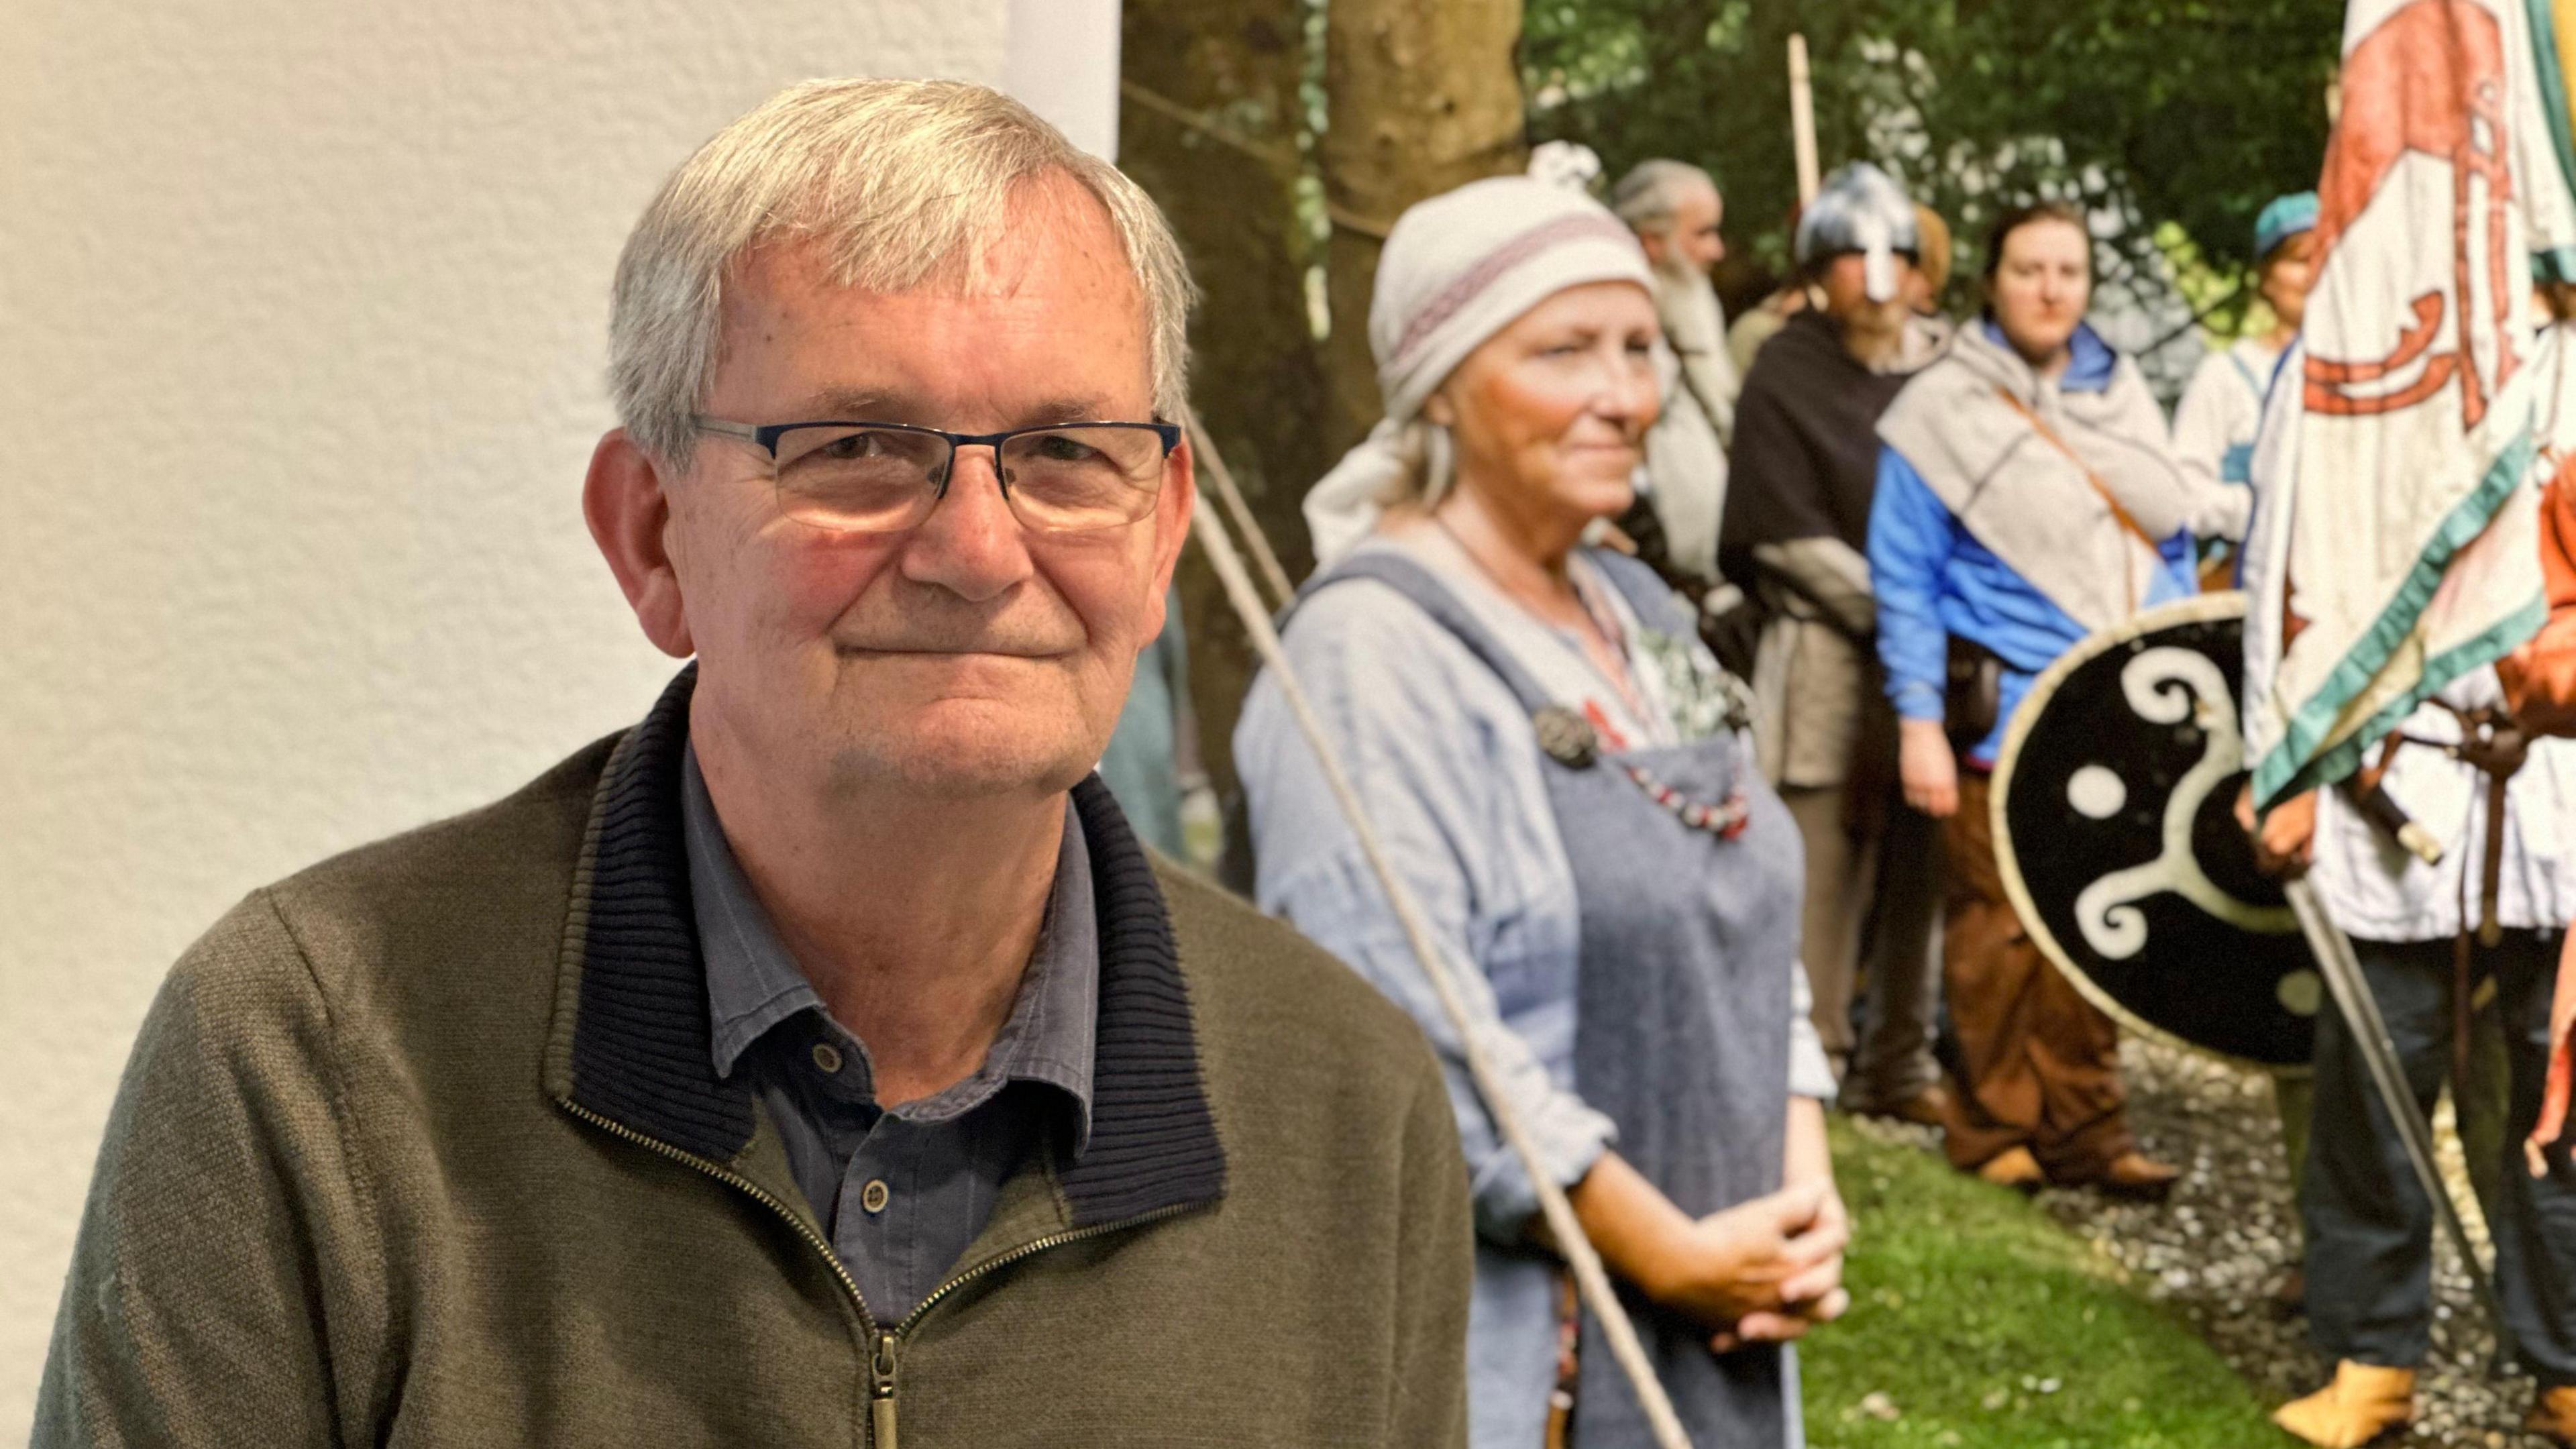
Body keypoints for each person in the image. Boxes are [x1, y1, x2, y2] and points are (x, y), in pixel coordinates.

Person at [35, 79, 1473, 1447]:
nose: (978, 552)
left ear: (1161, 535)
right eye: (854, 446)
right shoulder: (316, 1058)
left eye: (1063, 453)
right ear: (652, 537)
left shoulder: (1344, 1107)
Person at [1248, 172, 1847, 1448]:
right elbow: (1407, 1036)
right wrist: (1672, 1253)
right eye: (1565, 350)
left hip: (1727, 1312)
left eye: (1639, 349)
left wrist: (1802, 1194)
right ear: (1444, 382)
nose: (1627, 395)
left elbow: (1751, 901)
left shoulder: (1642, 615)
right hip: (1527, 1359)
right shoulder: (1369, 656)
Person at [2247, 338, 2576, 1449]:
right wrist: (2282, 766)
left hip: (2558, 782)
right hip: (2397, 773)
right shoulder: (2350, 339)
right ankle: (2371, 1358)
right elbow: (2284, 568)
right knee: (2373, 1090)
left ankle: (2570, 1362)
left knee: (2562, 1103)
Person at [1871, 200, 2237, 1196]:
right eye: (2029, 269)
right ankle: (1995, 1131)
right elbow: (1902, 574)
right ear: (1992, 280)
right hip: (1999, 712)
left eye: (2067, 271)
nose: (2049, 289)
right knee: (1996, 927)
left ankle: (2090, 1128)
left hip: (2113, 709)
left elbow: (2164, 538)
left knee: (2105, 919)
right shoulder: (1941, 408)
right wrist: (1916, 722)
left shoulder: (2122, 396)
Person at [1719, 162, 1949, 1122]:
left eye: (1890, 252)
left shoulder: (1947, 372)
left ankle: (1904, 1063)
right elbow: (1779, 535)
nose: (1873, 272)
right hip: (1826, 651)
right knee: (1815, 863)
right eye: (1851, 253)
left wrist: (1934, 627)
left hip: (1936, 672)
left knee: (1922, 862)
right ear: (1821, 267)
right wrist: (1903, 606)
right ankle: (1811, 1067)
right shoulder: (1784, 367)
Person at [1613, 158, 1740, 586]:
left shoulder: (1695, 304)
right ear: (1651, 242)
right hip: (1654, 576)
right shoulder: (1611, 342)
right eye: (1702, 233)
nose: (1716, 251)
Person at [2171, 191, 2318, 537]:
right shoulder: (2226, 375)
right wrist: (2262, 509)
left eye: (2327, 258)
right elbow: (2183, 492)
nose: (2315, 274)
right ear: (2267, 277)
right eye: (2302, 260)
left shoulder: (2365, 376)